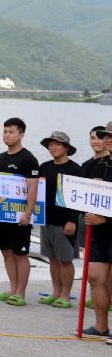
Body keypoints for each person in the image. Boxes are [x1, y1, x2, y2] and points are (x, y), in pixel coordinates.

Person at [0, 117, 40, 306]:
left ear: (21, 134)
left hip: (20, 215)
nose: (7, 135)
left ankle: (21, 293)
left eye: (11, 132)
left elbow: (33, 188)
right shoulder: (0, 158)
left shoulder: (29, 159)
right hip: (1, 213)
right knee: (6, 252)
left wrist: (28, 213)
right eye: (5, 131)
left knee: (20, 253)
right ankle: (12, 289)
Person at [37, 131, 82, 308]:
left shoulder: (76, 169)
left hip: (65, 222)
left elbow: (78, 198)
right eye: (51, 144)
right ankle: (56, 292)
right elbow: (39, 193)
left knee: (65, 260)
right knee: (52, 259)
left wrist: (72, 221)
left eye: (57, 144)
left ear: (67, 148)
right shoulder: (44, 166)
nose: (53, 147)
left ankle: (65, 294)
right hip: (46, 220)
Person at [82, 121, 112, 342]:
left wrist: (104, 218)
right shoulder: (100, 164)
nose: (108, 139)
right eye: (106, 136)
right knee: (95, 277)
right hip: (100, 234)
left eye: (111, 136)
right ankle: (102, 326)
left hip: (107, 225)